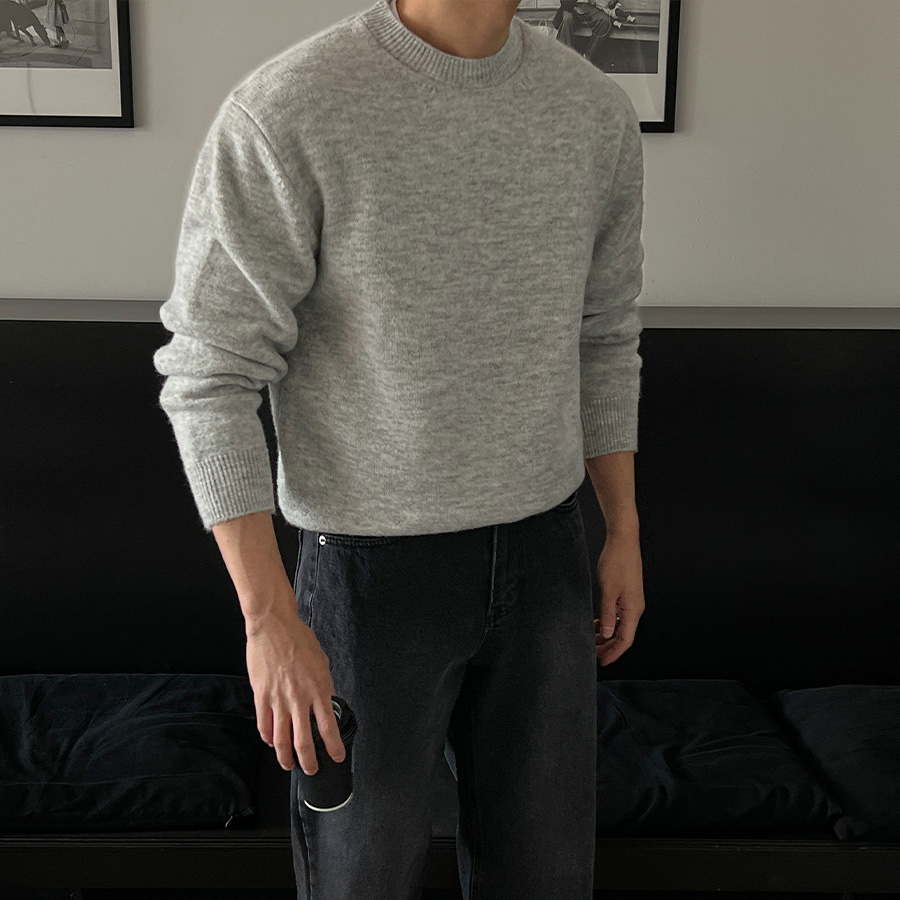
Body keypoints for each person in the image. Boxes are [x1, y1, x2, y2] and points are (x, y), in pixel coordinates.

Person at [153, 0, 646, 897]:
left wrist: (623, 529)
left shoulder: (593, 111)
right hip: (366, 579)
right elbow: (208, 373)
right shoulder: (291, 106)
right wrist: (268, 619)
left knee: (546, 880)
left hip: (548, 560)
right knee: (360, 882)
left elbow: (603, 335)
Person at [554, 0, 636, 66]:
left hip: (590, 6)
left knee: (605, 21)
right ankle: (567, 55)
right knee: (567, 19)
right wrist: (573, 8)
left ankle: (587, 56)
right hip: (571, 7)